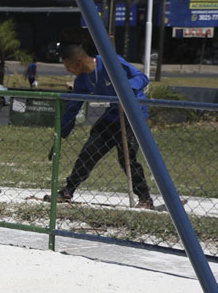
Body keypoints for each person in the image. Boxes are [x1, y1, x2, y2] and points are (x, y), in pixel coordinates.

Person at [55, 40, 154, 208]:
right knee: (89, 152)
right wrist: (62, 133)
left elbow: (142, 78)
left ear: (78, 61)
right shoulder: (82, 80)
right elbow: (73, 107)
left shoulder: (109, 62)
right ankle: (67, 191)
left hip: (133, 113)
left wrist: (126, 87)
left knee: (127, 157)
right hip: (112, 115)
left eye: (69, 66)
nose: (68, 71)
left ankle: (145, 198)